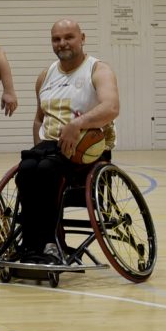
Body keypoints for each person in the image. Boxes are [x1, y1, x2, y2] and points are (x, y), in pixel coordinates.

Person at [15, 19, 119, 264]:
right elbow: (39, 120)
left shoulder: (98, 69)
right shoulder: (45, 75)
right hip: (51, 147)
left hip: (87, 150)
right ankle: (30, 244)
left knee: (47, 171)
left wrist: (77, 125)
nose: (62, 43)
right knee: (27, 169)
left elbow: (111, 107)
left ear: (82, 38)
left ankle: (52, 242)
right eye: (56, 39)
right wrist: (37, 147)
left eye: (68, 37)